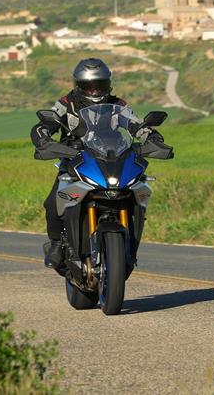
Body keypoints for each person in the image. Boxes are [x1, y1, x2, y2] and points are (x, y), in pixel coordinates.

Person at [30, 57, 144, 268]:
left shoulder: (119, 104)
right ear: (78, 86)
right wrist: (43, 137)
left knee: (136, 191)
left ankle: (129, 244)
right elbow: (47, 122)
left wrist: (150, 136)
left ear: (108, 84)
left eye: (98, 86)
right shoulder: (66, 103)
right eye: (88, 87)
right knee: (52, 203)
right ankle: (56, 243)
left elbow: (134, 123)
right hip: (76, 160)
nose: (94, 92)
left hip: (110, 157)